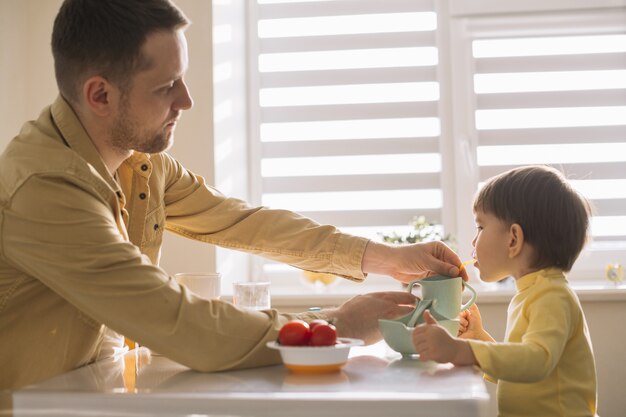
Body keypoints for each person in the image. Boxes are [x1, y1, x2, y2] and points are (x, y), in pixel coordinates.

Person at [0, 0, 466, 390]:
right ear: (99, 95)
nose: (187, 100)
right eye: (167, 87)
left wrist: (387, 257)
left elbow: (243, 222)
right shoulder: (47, 188)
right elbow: (173, 319)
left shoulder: (139, 160)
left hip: (87, 396)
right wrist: (334, 328)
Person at [412, 165, 598, 417]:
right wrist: (479, 339)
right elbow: (521, 367)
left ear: (513, 239)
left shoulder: (553, 296)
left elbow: (536, 361)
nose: (473, 241)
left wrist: (462, 351)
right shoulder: (533, 292)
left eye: (480, 227)